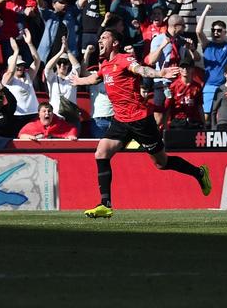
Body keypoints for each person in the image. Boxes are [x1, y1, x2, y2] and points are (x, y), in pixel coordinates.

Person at [71, 28, 212, 218]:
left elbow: (141, 69)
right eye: (99, 37)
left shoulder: (124, 59)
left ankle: (199, 173)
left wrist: (160, 72)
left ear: (115, 43)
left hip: (140, 120)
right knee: (101, 153)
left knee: (161, 163)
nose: (100, 40)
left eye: (104, 37)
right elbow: (95, 78)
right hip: (120, 120)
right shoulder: (104, 65)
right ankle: (105, 204)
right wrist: (79, 80)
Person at [197, 4, 227, 126]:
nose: (216, 32)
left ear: (225, 32)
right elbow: (198, 31)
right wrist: (205, 11)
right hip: (209, 86)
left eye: (219, 30)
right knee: (206, 116)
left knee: (224, 117)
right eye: (213, 30)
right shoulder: (207, 45)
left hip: (226, 87)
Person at [2, 31, 41, 137]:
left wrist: (30, 43)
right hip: (17, 115)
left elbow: (37, 61)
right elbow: (10, 71)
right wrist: (16, 51)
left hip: (33, 114)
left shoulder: (28, 75)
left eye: (22, 65)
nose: (20, 68)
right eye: (17, 66)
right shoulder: (7, 79)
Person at [45, 38, 81, 124]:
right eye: (59, 62)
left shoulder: (72, 77)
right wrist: (61, 52)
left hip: (71, 118)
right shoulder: (52, 77)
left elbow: (77, 66)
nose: (62, 65)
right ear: (56, 64)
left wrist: (67, 50)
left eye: (65, 62)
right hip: (55, 118)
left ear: (68, 64)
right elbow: (47, 68)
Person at [165, 55, 204, 129]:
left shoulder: (197, 86)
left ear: (192, 69)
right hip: (178, 121)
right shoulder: (174, 86)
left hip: (193, 121)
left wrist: (204, 124)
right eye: (182, 67)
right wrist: (165, 124)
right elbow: (168, 106)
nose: (185, 70)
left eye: (188, 67)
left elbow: (200, 106)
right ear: (179, 69)